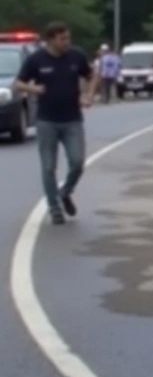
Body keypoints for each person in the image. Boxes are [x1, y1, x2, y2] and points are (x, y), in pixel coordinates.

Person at [14, 22, 97, 225]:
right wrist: (34, 89)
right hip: (47, 121)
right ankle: (54, 209)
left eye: (68, 38)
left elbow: (92, 75)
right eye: (62, 39)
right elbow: (18, 83)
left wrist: (88, 94)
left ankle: (65, 191)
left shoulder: (76, 56)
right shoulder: (37, 59)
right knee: (48, 167)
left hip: (72, 119)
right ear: (51, 40)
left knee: (77, 162)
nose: (67, 42)